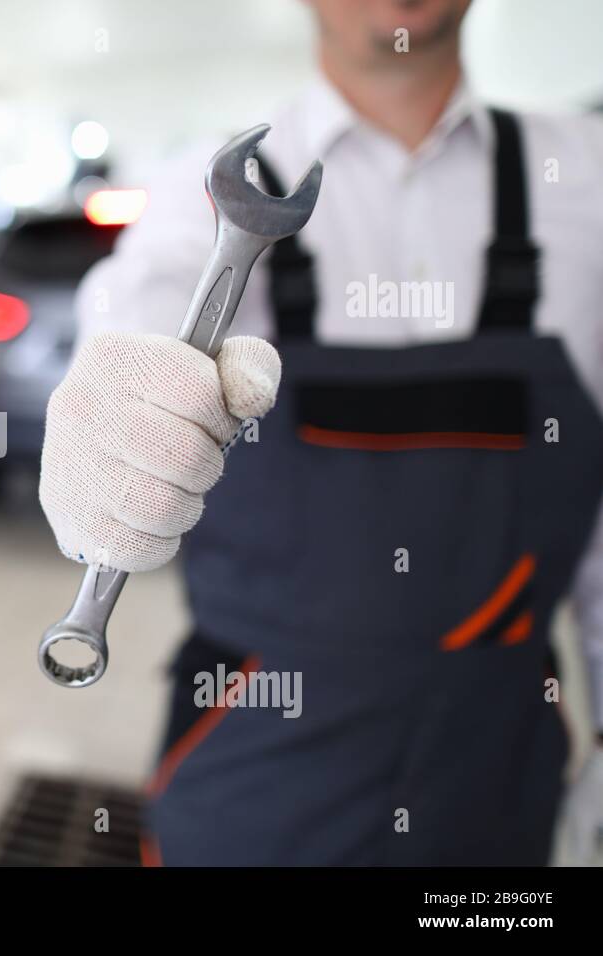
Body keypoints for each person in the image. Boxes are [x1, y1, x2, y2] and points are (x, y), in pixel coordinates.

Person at [39, 0, 603, 865]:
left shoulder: (589, 180)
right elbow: (134, 311)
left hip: (500, 777)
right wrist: (110, 414)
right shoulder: (201, 196)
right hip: (254, 758)